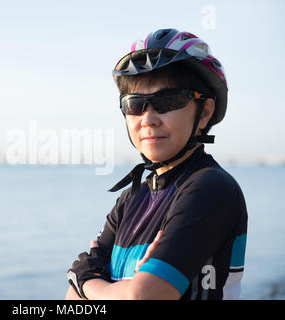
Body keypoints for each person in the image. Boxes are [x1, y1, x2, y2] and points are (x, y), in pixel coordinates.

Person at [66, 28, 248, 300]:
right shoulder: (131, 197)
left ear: (204, 113)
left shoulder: (210, 188)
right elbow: (70, 299)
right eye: (135, 104)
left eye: (167, 101)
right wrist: (118, 289)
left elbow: (144, 298)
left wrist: (86, 280)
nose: (148, 119)